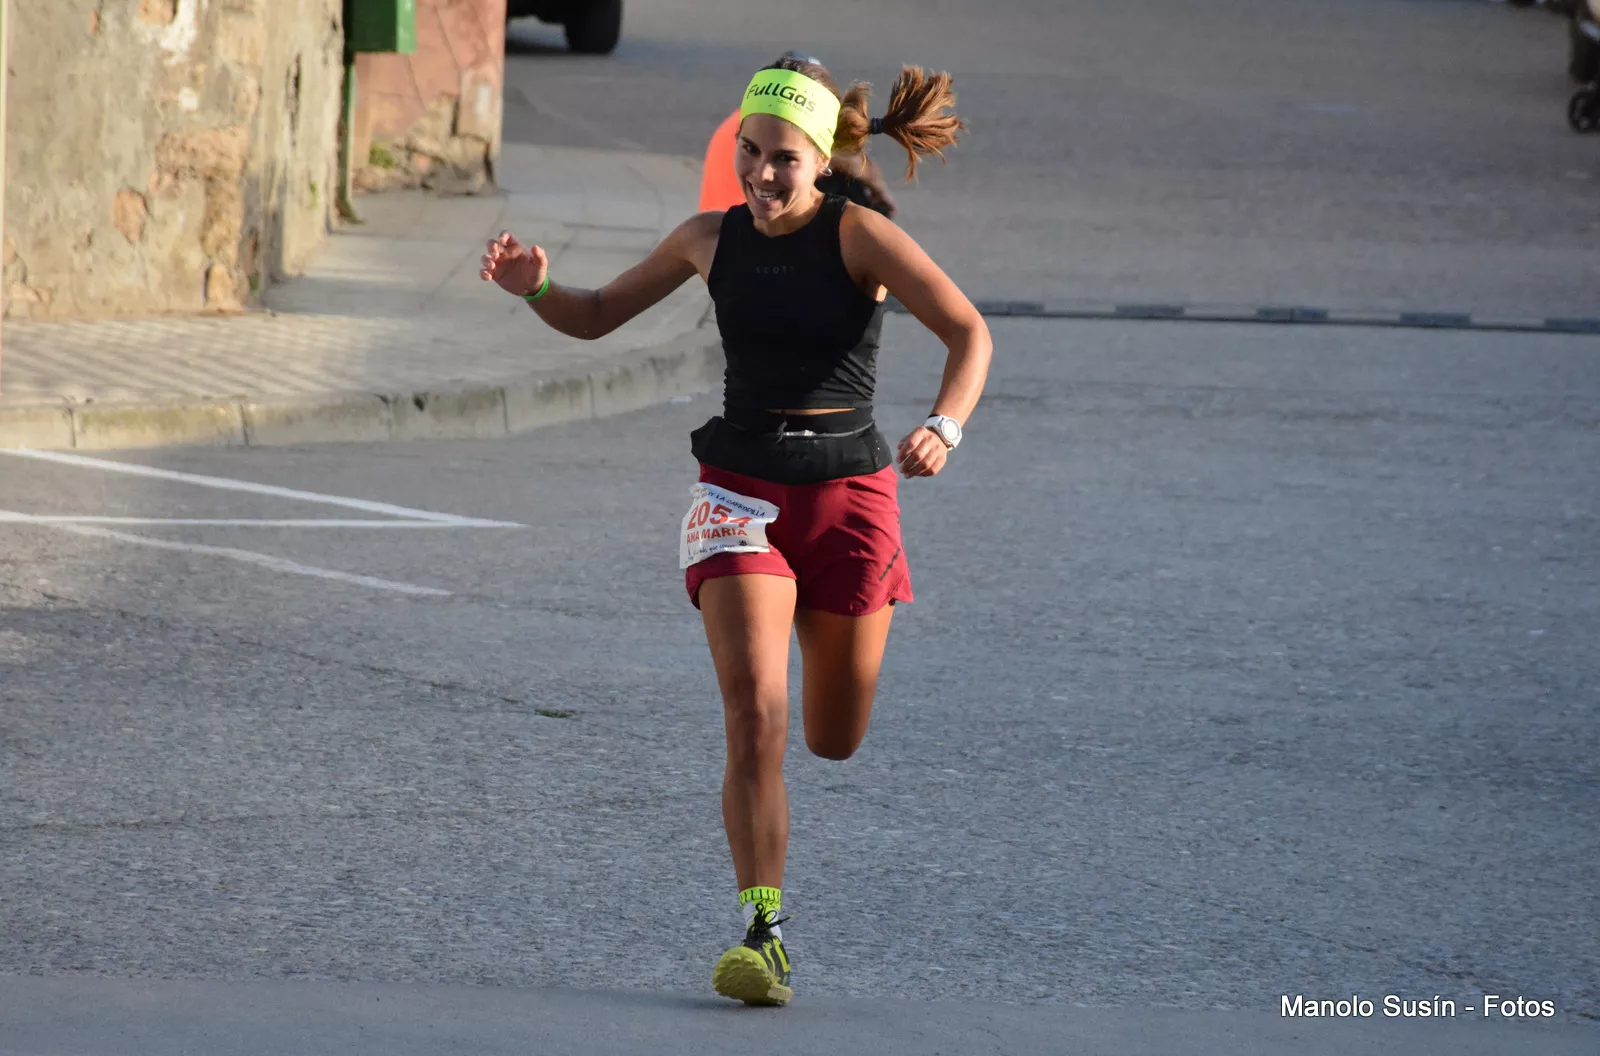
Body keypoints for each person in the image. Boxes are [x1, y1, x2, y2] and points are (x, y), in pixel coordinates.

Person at [480, 53, 992, 1007]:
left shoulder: (863, 237)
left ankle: (818, 631)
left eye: (782, 159)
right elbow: (596, 316)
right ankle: (764, 932)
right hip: (741, 492)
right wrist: (538, 289)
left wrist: (944, 426)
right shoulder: (708, 239)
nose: (760, 174)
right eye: (747, 153)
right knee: (755, 716)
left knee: (832, 738)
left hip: (849, 497)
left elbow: (969, 332)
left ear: (822, 158)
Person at [700, 53, 900, 219]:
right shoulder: (796, 125)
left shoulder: (745, 119)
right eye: (750, 149)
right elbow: (856, 164)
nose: (763, 174)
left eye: (784, 158)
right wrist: (881, 196)